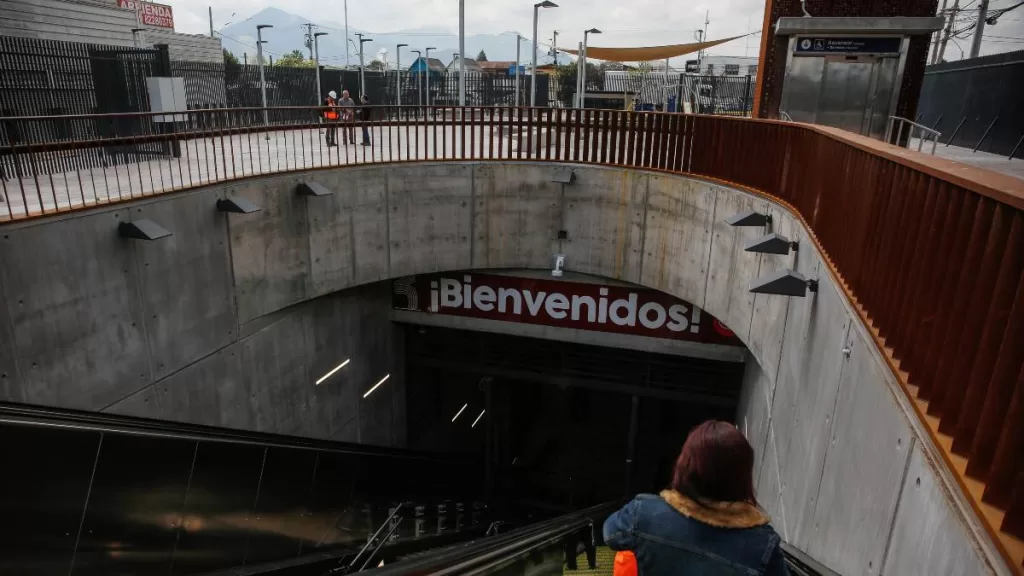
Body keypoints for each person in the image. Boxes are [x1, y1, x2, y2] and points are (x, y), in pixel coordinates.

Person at [604, 420, 790, 576]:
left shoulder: (644, 514)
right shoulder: (762, 545)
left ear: (686, 465)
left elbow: (610, 534)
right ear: (742, 477)